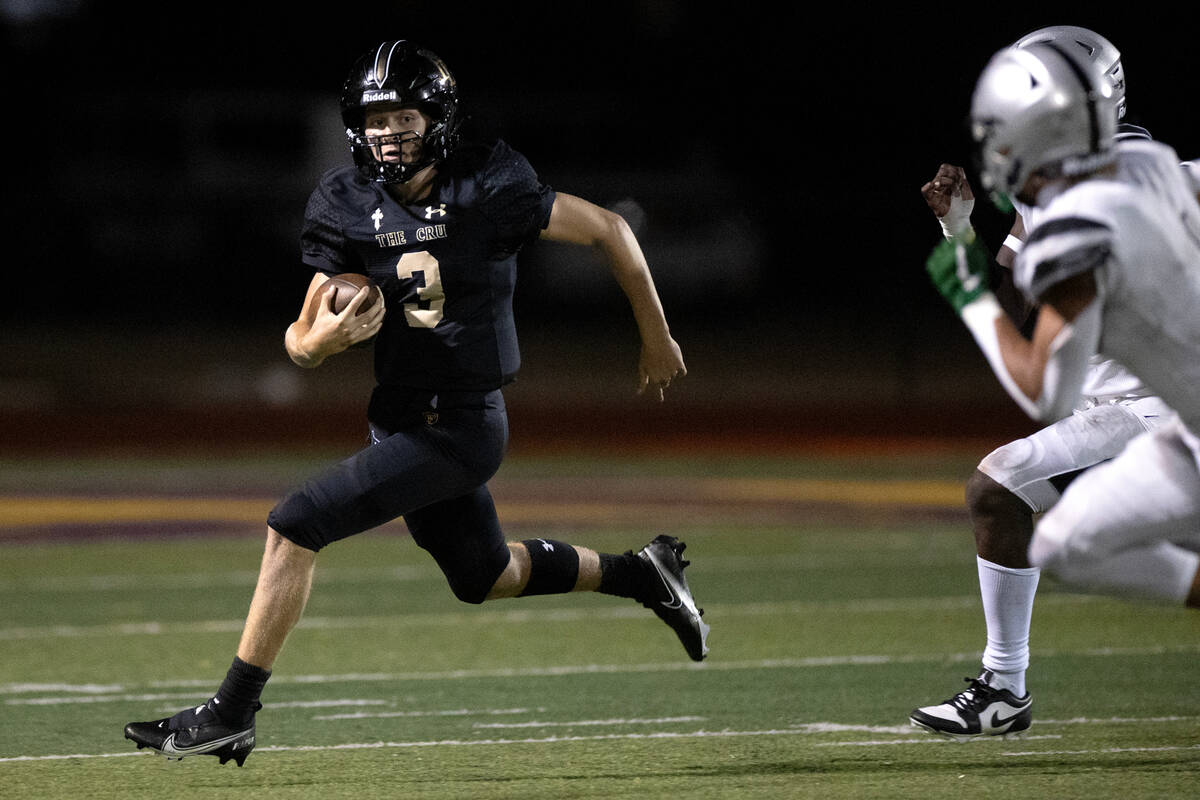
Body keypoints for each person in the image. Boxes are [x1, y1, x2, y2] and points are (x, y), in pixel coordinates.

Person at [123, 39, 707, 767]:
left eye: (403, 117)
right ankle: (641, 572)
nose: (388, 133)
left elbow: (610, 230)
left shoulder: (488, 182)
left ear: (437, 119)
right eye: (375, 120)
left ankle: (230, 713)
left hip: (462, 424)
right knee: (485, 576)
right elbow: (298, 342)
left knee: (295, 523)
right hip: (399, 414)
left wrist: (656, 336)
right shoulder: (344, 199)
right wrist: (326, 341)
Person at [920, 35, 1200, 739]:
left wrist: (964, 286)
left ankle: (1003, 688)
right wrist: (963, 232)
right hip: (1155, 417)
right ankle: (1004, 693)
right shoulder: (1136, 166)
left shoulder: (1088, 212)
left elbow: (1040, 385)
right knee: (1062, 540)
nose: (995, 145)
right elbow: (1029, 297)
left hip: (1151, 410)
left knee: (1003, 489)